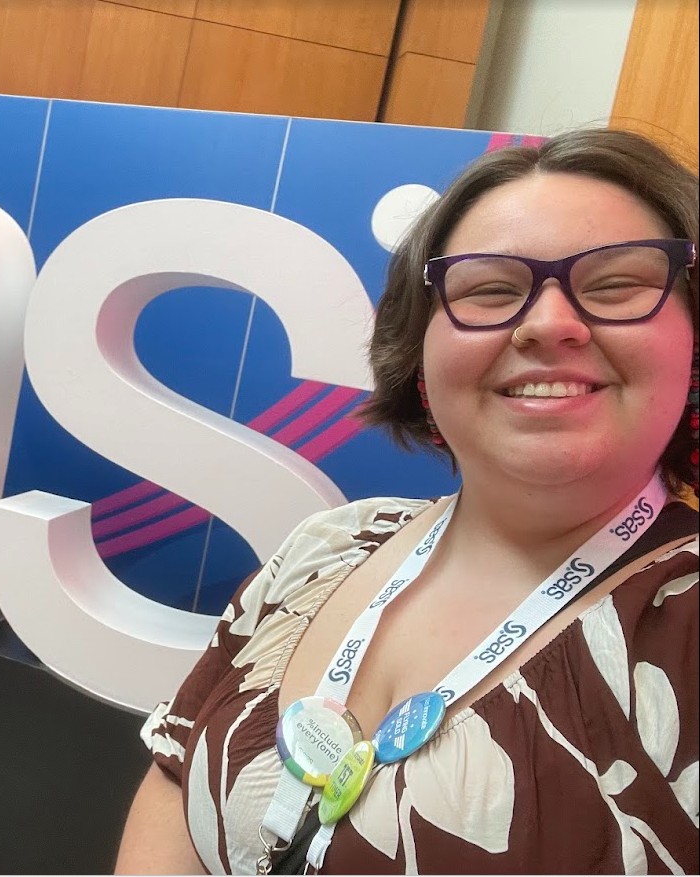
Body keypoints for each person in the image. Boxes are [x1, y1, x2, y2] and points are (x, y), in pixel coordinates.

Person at [115, 128, 699, 875]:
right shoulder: (329, 547)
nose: (549, 323)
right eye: (490, 288)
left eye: (617, 284)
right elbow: (176, 774)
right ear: (421, 346)